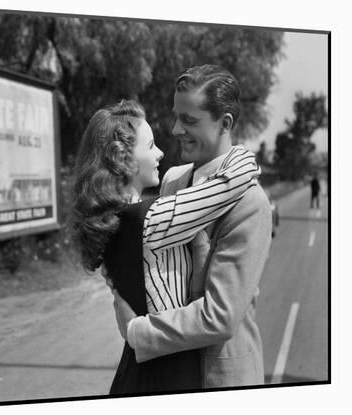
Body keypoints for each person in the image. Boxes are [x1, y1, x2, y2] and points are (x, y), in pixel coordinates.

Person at [70, 98, 260, 394]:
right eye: (150, 146)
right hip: (166, 375)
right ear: (123, 157)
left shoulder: (111, 221)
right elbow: (232, 181)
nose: (160, 153)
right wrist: (235, 146)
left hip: (138, 369)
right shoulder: (151, 219)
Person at [110, 64, 273, 389]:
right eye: (176, 116)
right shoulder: (172, 179)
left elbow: (220, 315)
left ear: (224, 123)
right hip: (165, 373)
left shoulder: (250, 203)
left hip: (218, 378)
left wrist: (138, 331)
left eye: (189, 120)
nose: (175, 129)